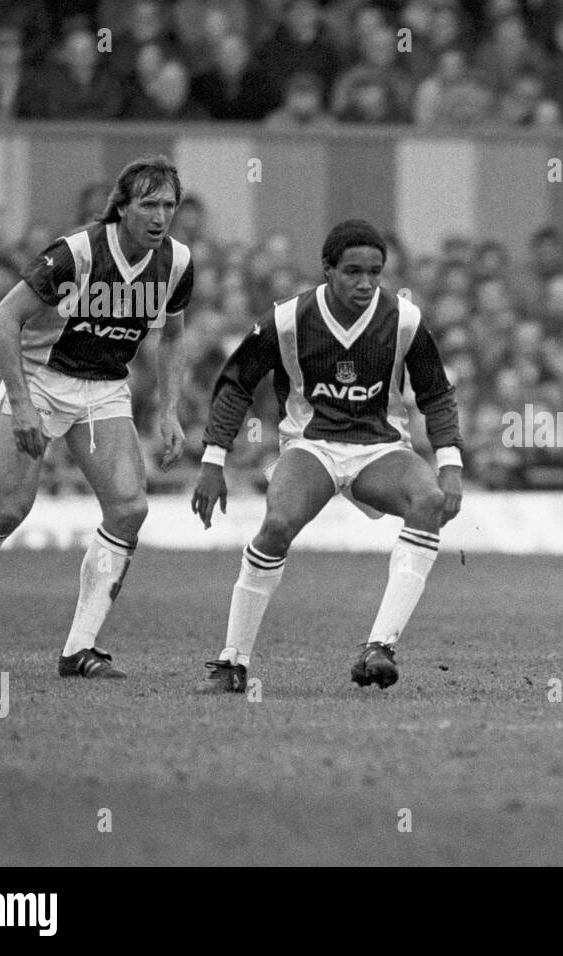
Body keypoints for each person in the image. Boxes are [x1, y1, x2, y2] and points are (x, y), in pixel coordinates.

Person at [0, 156, 194, 677]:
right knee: (8, 510)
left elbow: (172, 335)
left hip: (104, 388)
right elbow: (4, 320)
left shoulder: (175, 261)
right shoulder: (78, 252)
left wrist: (170, 410)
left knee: (130, 510)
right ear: (122, 207)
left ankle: (79, 649)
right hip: (40, 379)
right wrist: (20, 404)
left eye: (169, 205)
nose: (161, 216)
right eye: (149, 204)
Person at [190, 219, 463, 694]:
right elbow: (236, 382)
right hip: (310, 445)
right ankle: (232, 663)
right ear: (327, 270)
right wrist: (214, 461)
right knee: (276, 525)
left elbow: (436, 394)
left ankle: (380, 646)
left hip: (379, 448)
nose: (365, 283)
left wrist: (451, 466)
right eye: (353, 271)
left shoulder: (405, 320)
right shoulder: (288, 320)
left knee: (428, 500)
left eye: (375, 272)